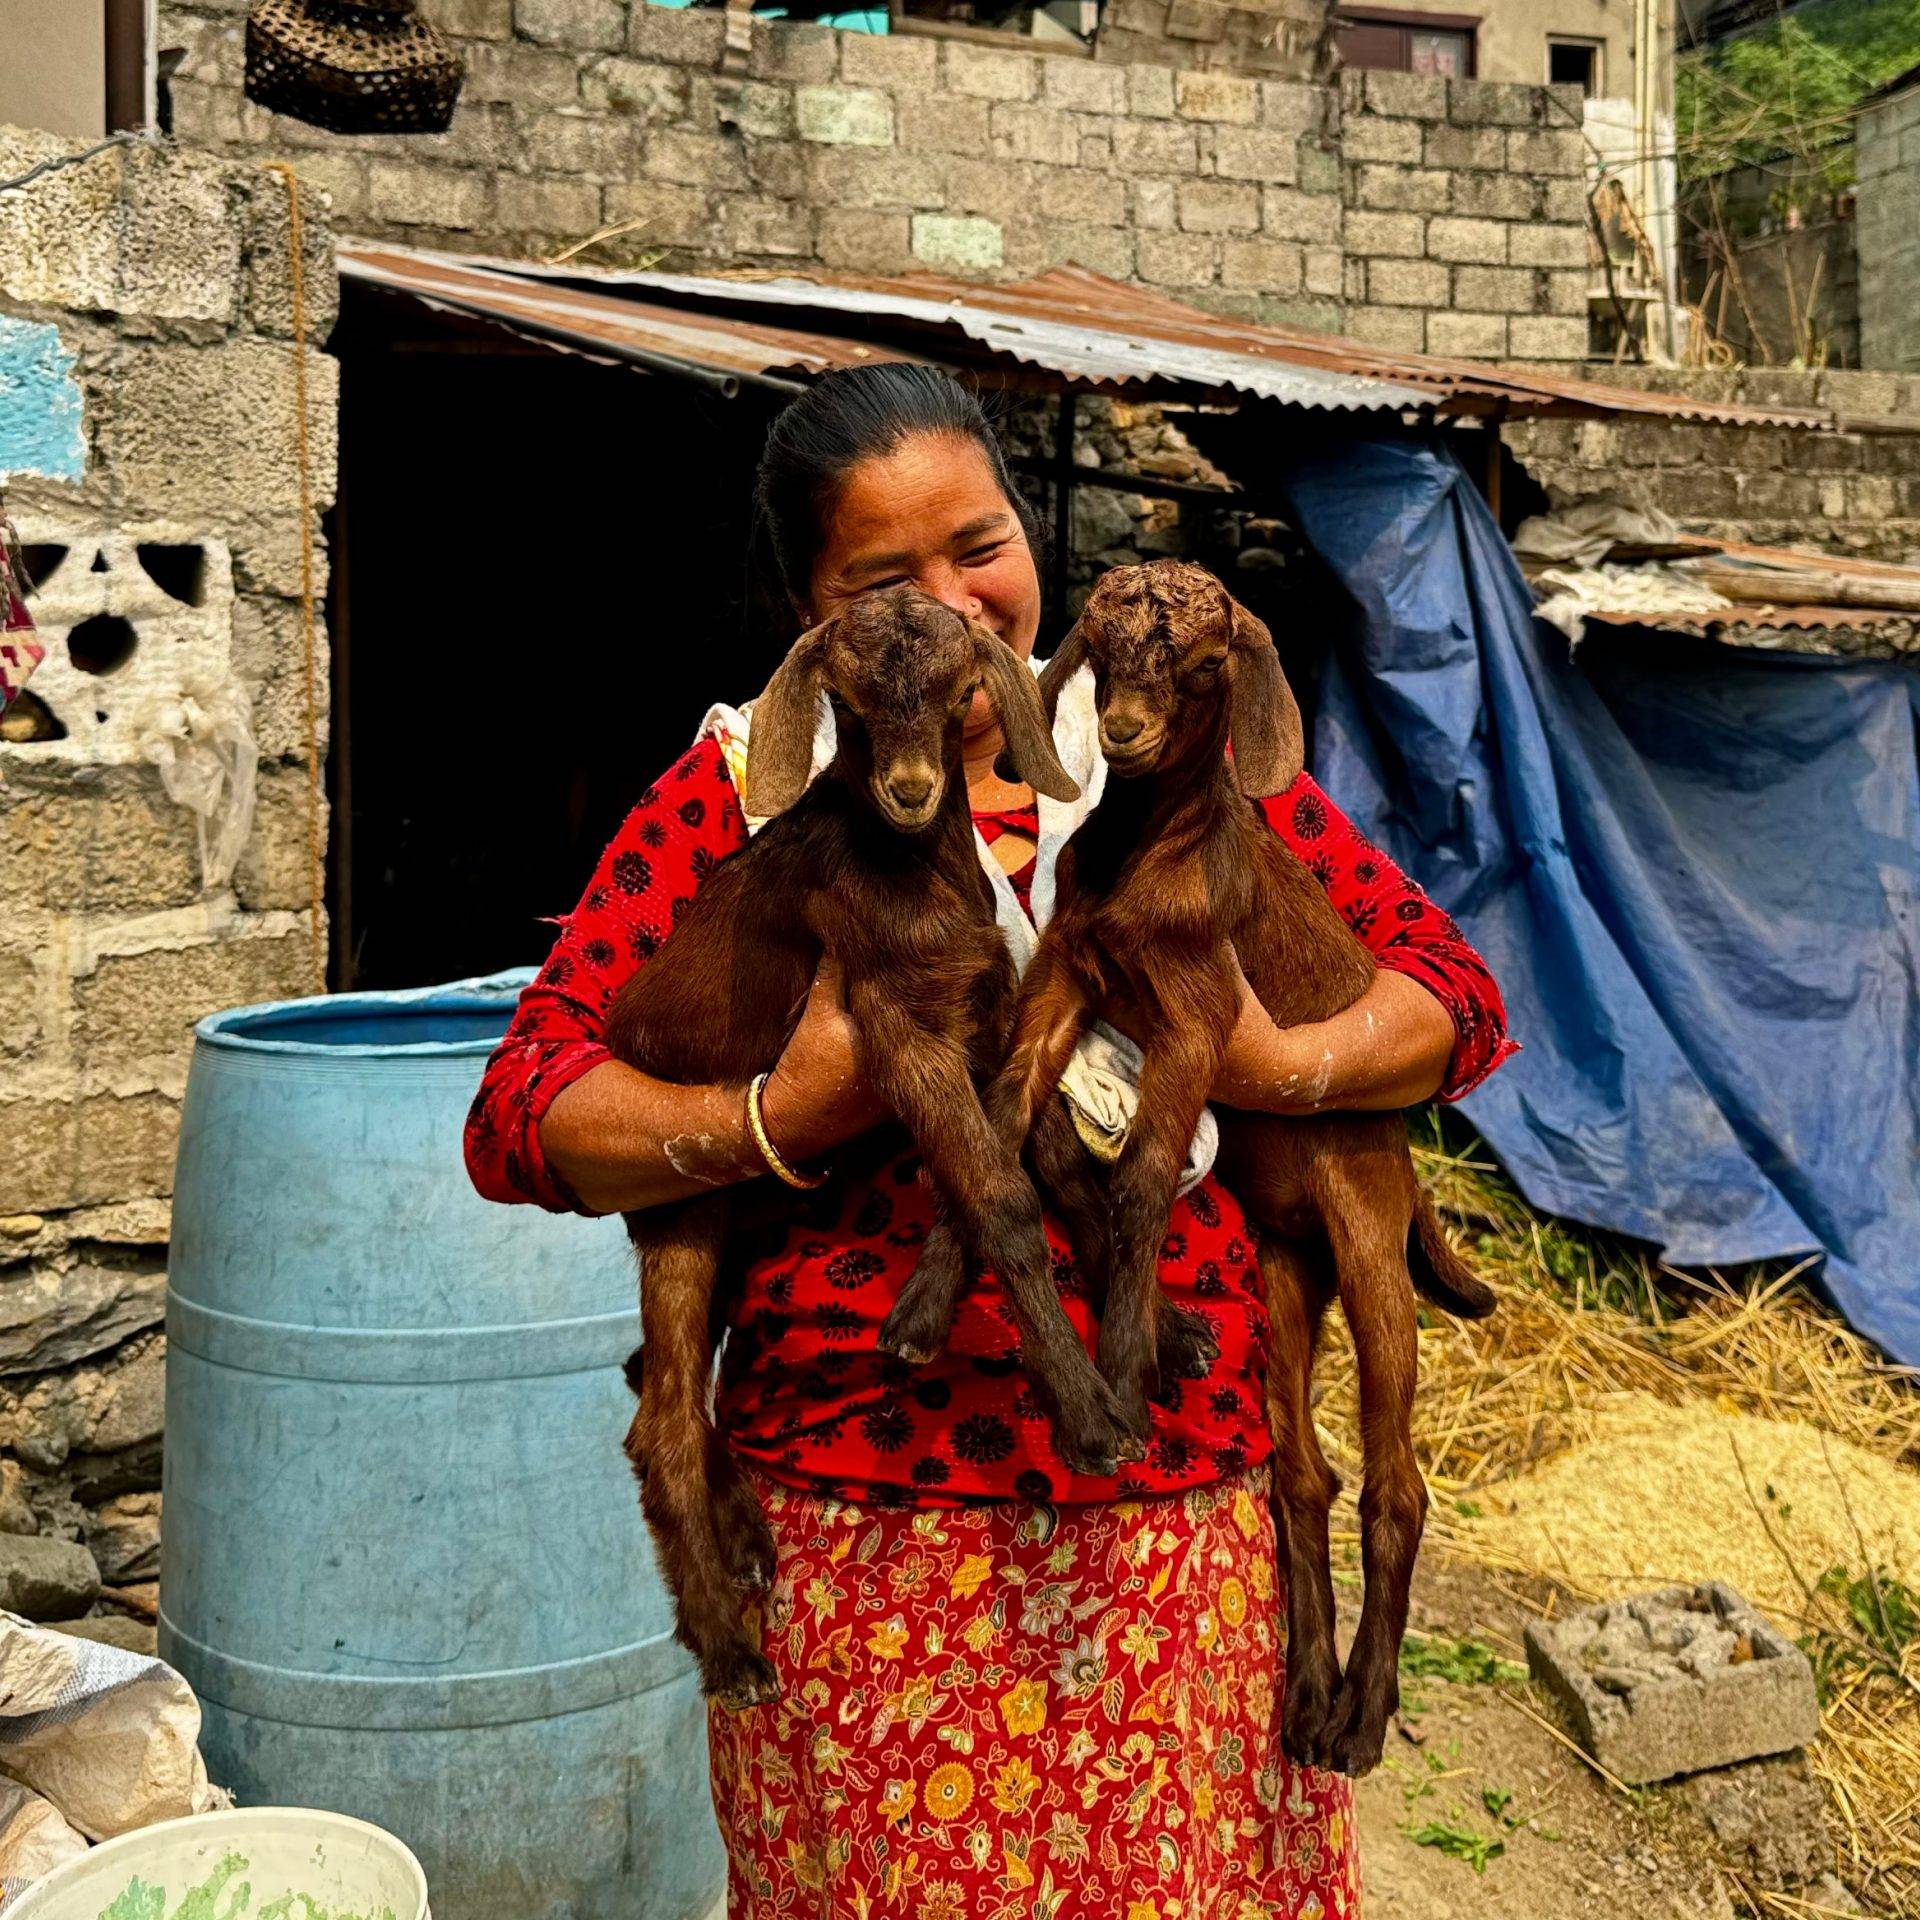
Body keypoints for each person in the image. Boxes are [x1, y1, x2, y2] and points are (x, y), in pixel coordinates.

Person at [466, 364, 1514, 1919]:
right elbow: (523, 1111)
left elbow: (1453, 1000)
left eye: (982, 546)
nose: (955, 605)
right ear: (814, 614)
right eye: (886, 576)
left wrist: (1269, 1059)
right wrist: (777, 1111)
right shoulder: (742, 794)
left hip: (1178, 1512)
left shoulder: (1158, 761)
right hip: (857, 1523)